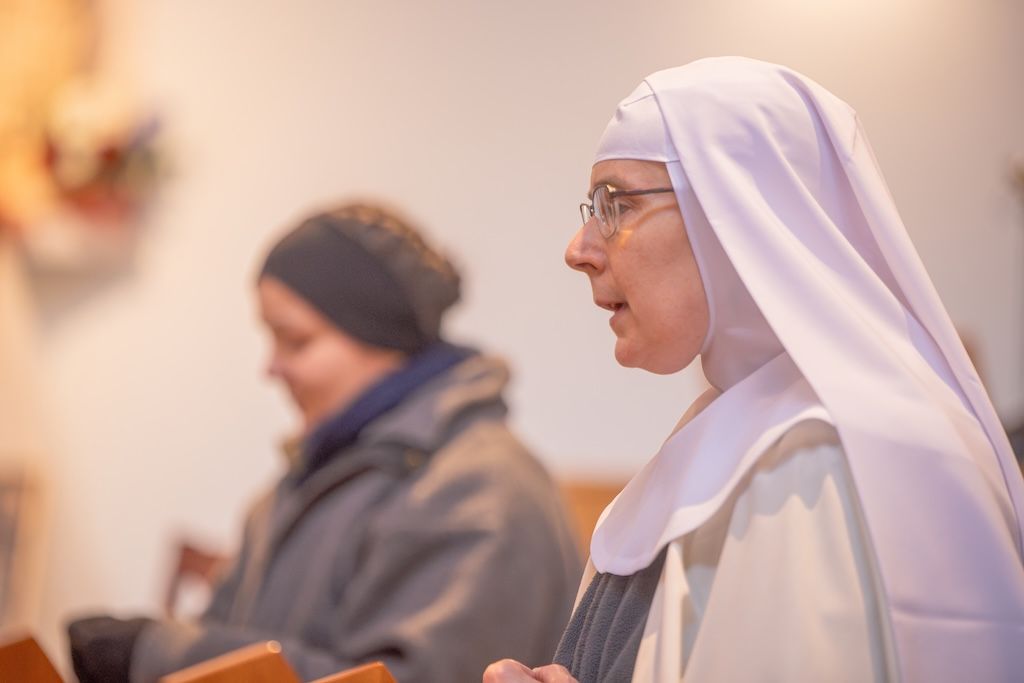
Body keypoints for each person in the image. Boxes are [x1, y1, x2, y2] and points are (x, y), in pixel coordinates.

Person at [485, 57, 1024, 682]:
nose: (578, 250)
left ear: (738, 209)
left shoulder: (820, 458)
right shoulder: (747, 425)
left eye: (617, 204)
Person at [68, 202, 582, 682]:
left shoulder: (482, 490)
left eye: (296, 341)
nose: (271, 367)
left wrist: (153, 653)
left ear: (381, 336)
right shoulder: (313, 477)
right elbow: (223, 630)